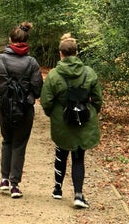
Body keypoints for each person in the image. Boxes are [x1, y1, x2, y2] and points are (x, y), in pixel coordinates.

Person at [40, 33, 102, 209]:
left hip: (62, 120)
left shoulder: (53, 75)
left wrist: (53, 114)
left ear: (60, 53)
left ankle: (58, 189)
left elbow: (46, 101)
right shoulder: (89, 73)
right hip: (84, 120)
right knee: (78, 156)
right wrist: (91, 112)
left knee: (61, 151)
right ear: (77, 52)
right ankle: (78, 195)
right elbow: (97, 99)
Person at [0, 22, 43, 199]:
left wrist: (2, 96)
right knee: (19, 144)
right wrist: (28, 97)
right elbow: (39, 88)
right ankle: (14, 185)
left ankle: (4, 179)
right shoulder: (32, 62)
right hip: (25, 109)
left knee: (7, 141)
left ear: (10, 40)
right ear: (27, 41)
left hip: (3, 108)